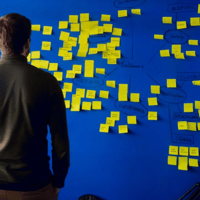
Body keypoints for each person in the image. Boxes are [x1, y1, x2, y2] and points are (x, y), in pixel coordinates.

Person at [0, 13, 70, 200]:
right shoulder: (48, 82)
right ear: (28, 43)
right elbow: (60, 143)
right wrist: (58, 183)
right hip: (34, 187)